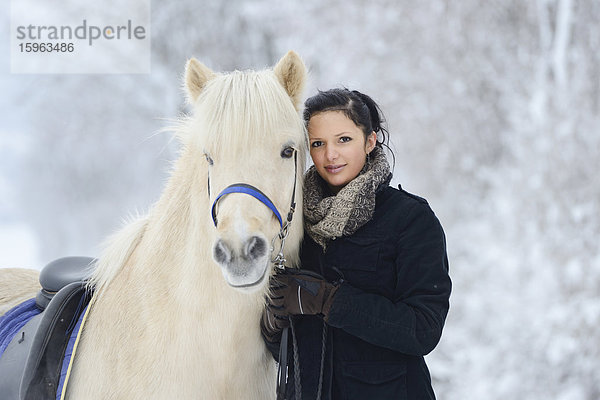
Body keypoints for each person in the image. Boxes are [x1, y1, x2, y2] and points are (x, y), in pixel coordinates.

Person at [261, 88, 451, 400]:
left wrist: (328, 300)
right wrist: (273, 323)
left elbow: (423, 329)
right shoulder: (293, 224)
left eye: (343, 140)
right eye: (318, 144)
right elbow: (290, 352)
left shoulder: (410, 219)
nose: (330, 155)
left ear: (370, 140)